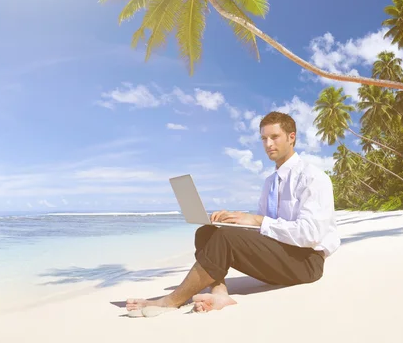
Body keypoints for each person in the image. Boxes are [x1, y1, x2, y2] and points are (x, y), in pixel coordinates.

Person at [126, 111, 341, 316]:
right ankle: (220, 294)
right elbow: (263, 230)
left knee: (225, 239)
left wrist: (256, 220)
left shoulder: (313, 177)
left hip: (306, 263)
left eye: (274, 137)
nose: (268, 144)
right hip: (281, 255)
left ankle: (172, 300)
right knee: (208, 232)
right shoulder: (270, 183)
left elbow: (310, 234)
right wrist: (232, 220)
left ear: (291, 137)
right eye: (264, 139)